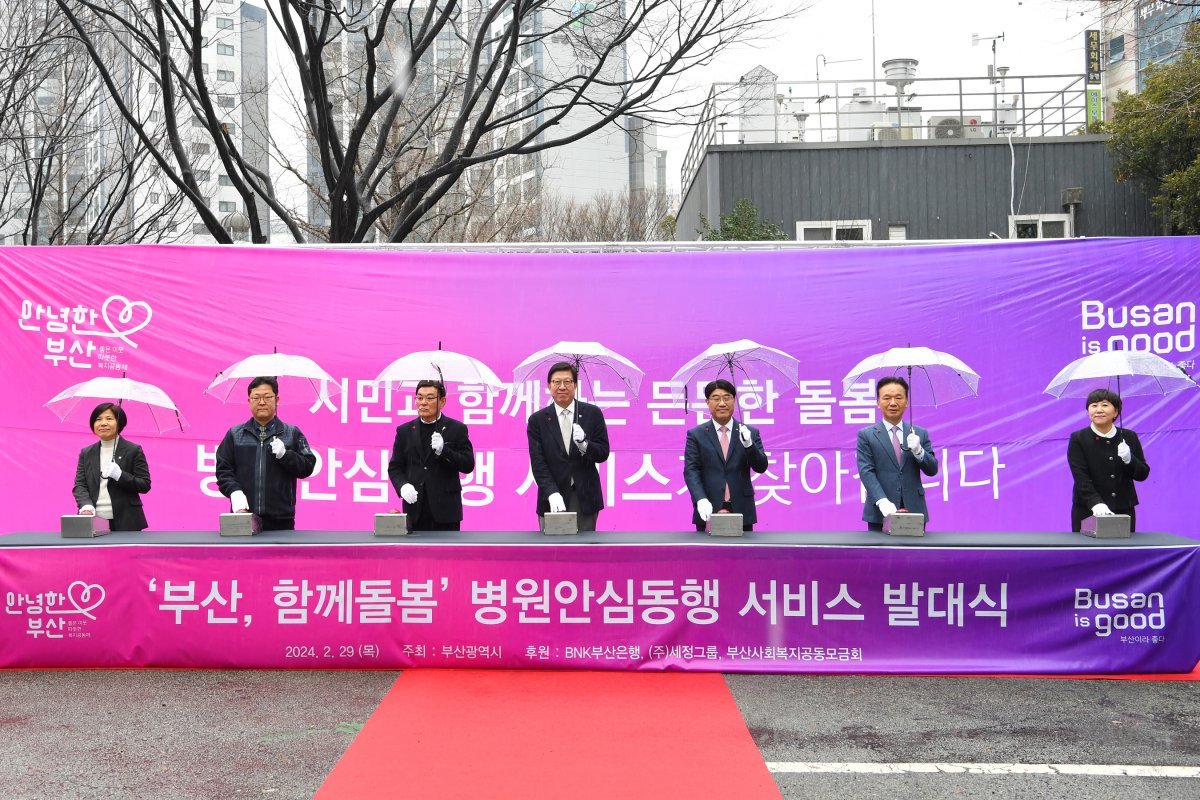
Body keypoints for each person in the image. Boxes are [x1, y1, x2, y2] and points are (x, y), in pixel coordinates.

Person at [215, 376, 316, 531]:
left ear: (277, 399)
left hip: (281, 519)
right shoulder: (235, 434)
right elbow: (224, 471)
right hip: (244, 517)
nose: (262, 402)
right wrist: (234, 492)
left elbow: (308, 466)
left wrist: (286, 455)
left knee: (280, 556)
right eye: (256, 397)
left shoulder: (291, 433)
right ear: (249, 400)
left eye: (268, 397)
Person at [527, 361, 610, 531]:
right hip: (552, 498)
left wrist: (585, 445)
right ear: (549, 386)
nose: (562, 387)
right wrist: (551, 492)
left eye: (567, 381)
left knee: (585, 553)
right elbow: (538, 462)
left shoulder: (593, 414)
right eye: (557, 382)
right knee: (553, 554)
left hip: (585, 497)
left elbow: (603, 453)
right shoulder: (538, 420)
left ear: (575, 385)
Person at [387, 380, 476, 531]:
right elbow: (395, 467)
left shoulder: (457, 429)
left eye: (429, 398)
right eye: (419, 397)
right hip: (414, 507)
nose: (423, 403)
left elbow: (468, 465)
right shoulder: (404, 431)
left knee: (447, 554)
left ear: (442, 401)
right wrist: (402, 486)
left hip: (446, 511)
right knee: (415, 554)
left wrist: (444, 451)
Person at [684, 379, 768, 532]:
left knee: (743, 555)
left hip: (742, 507)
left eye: (727, 397)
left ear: (734, 400)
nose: (722, 403)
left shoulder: (750, 432)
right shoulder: (696, 435)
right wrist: (700, 499)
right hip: (708, 507)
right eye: (716, 398)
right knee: (708, 556)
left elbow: (761, 467)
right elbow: (691, 471)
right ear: (707, 402)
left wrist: (749, 445)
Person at [856, 376, 939, 531]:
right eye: (886, 398)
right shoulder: (866, 435)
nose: (893, 403)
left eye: (898, 397)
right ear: (878, 403)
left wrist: (919, 451)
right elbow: (866, 471)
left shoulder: (919, 433)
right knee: (880, 555)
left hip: (914, 509)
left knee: (914, 555)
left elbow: (932, 469)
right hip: (880, 512)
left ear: (906, 402)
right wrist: (882, 501)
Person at [1068, 388, 1150, 532]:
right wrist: (1096, 503)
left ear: (1116, 412)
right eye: (1093, 405)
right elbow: (1080, 476)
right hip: (1087, 510)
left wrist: (1129, 459)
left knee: (1122, 553)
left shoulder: (1129, 436)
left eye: (1105, 405)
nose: (1099, 409)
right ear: (1088, 412)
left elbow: (1142, 474)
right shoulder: (1078, 438)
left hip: (1123, 509)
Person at [72, 402, 151, 531]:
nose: (103, 423)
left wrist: (120, 475)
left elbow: (144, 484)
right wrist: (86, 505)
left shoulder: (133, 450)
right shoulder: (86, 453)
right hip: (94, 519)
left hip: (127, 520)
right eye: (98, 419)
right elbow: (80, 485)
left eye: (109, 419)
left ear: (119, 423)